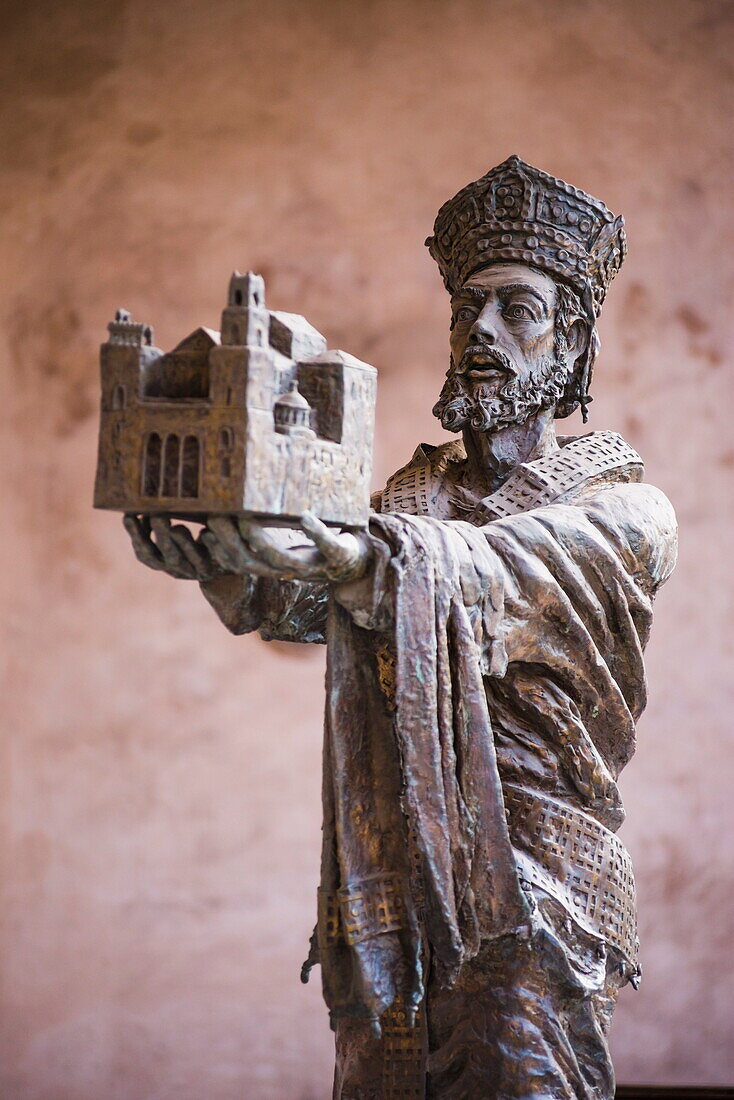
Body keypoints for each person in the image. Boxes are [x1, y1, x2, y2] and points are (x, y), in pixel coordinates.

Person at [125, 156, 677, 1099]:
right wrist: (228, 560)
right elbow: (324, 597)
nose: (483, 332)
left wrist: (354, 554)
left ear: (572, 342)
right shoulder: (411, 499)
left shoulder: (625, 512)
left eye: (517, 309)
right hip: (392, 881)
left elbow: (498, 570)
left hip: (537, 883)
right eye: (468, 310)